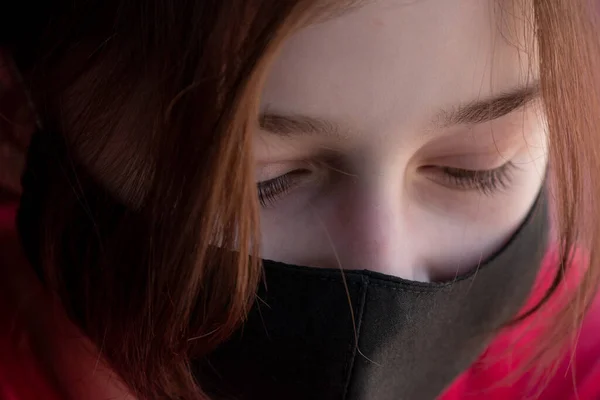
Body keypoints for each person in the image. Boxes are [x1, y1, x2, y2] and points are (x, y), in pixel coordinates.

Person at [1, 0, 600, 399]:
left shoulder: (573, 364)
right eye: (251, 184)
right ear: (18, 114)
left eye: (475, 166)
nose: (381, 267)